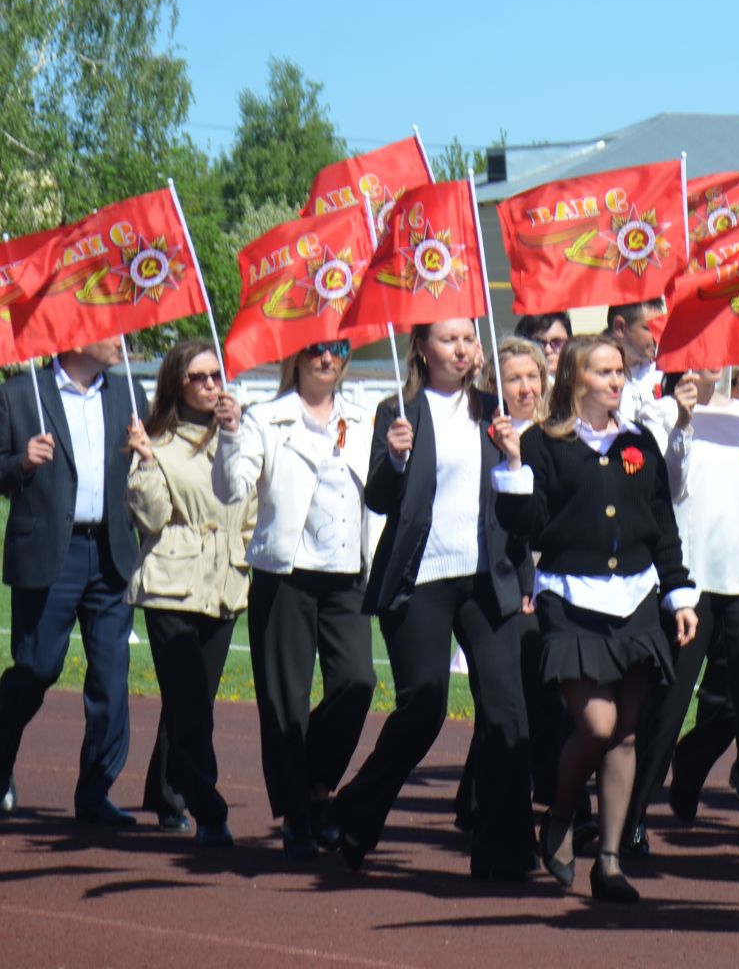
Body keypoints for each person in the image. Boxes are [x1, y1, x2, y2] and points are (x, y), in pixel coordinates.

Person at [495, 334, 698, 904]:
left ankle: (607, 861)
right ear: (576, 380)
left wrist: (679, 593)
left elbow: (661, 524)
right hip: (572, 599)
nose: (615, 380)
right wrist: (513, 465)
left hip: (635, 599)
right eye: (603, 371)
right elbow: (526, 523)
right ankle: (561, 815)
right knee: (597, 725)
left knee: (627, 736)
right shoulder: (544, 443)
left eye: (618, 371)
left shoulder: (640, 444)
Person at [330, 320, 533, 880]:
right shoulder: (398, 411)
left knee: (506, 712)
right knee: (423, 708)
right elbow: (379, 499)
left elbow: (516, 511)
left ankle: (505, 851)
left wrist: (516, 460)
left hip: (486, 579)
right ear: (421, 347)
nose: (463, 349)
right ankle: (353, 813)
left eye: (469, 338)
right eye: (449, 339)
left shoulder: (494, 411)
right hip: (419, 579)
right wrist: (394, 460)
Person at [213, 339, 377, 859]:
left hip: (347, 573)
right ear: (296, 357)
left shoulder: (364, 415)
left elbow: (382, 490)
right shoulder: (266, 417)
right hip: (285, 573)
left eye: (338, 348)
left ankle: (316, 785)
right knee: (285, 702)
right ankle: (298, 815)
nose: (327, 359)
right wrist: (231, 434)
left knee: (357, 680)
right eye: (316, 350)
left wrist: (397, 453)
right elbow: (232, 489)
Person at [630, 361, 739, 869]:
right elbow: (671, 483)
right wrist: (681, 419)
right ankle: (630, 820)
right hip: (692, 582)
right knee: (669, 705)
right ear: (732, 383)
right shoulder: (681, 415)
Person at [0, 338, 147, 824]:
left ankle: (95, 793)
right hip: (48, 554)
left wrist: (147, 455)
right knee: (37, 669)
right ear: (79, 333)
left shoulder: (128, 392)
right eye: (114, 333)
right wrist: (20, 462)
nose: (123, 342)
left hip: (111, 554)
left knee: (111, 678)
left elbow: (152, 473)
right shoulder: (22, 393)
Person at [124, 340, 256, 845]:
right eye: (198, 377)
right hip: (171, 587)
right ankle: (210, 809)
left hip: (224, 585)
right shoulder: (157, 439)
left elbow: (252, 509)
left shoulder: (238, 438)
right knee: (191, 703)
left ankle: (165, 792)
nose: (209, 385)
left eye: (216, 376)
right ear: (177, 383)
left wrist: (242, 554)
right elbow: (151, 517)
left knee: (192, 700)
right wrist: (143, 463)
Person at [456, 337, 560, 832]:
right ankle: (488, 802)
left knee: (532, 695)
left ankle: (483, 799)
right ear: (493, 384)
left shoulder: (553, 434)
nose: (525, 387)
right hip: (506, 581)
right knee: (505, 695)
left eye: (532, 377)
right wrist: (521, 582)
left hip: (554, 580)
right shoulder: (485, 435)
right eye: (513, 378)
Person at [607, 299, 667, 416]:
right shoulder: (591, 378)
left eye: (660, 327)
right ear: (620, 327)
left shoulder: (664, 370)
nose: (658, 336)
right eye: (650, 328)